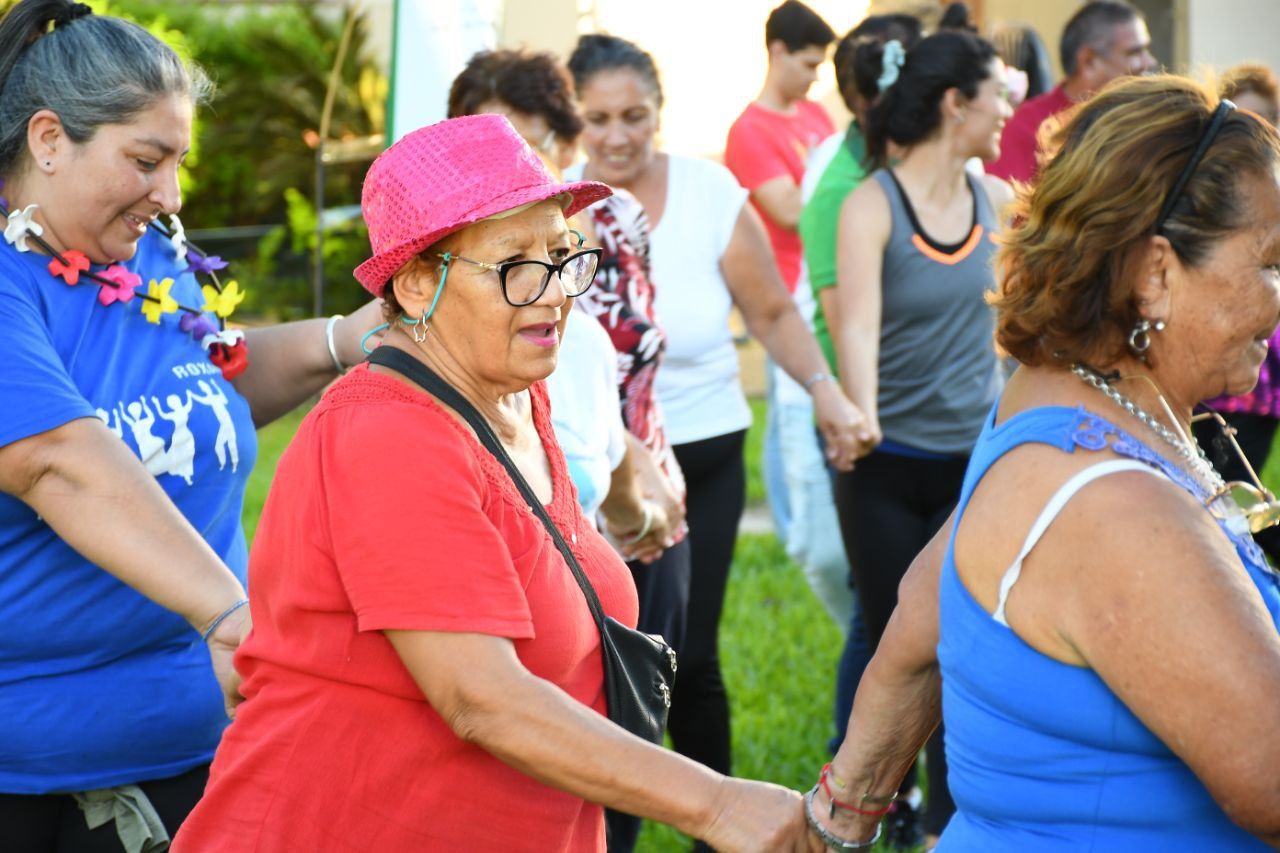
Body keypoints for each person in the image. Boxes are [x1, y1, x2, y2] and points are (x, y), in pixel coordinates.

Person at [173, 113, 820, 853]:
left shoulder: (521, 395)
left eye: (564, 254)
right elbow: (482, 696)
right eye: (516, 264)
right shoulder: (385, 431)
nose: (553, 292)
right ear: (417, 285)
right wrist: (714, 802)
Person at [806, 74, 1280, 852]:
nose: (1276, 296)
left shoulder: (1058, 398)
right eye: (1269, 261)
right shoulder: (1113, 506)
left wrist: (842, 810)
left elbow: (930, 594)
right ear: (1156, 272)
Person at [0, 1, 380, 850]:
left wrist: (343, 340)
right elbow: (56, 460)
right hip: (33, 783)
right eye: (146, 159)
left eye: (178, 162)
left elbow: (212, 389)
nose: (170, 194)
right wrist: (233, 617)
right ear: (50, 139)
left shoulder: (147, 253)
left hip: (207, 749)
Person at [566, 31, 866, 826]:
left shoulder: (710, 194)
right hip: (587, 465)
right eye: (597, 118)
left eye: (636, 115)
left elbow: (769, 310)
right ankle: (599, 826)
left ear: (660, 112)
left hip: (702, 452)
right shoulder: (550, 203)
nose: (619, 135)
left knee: (688, 656)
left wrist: (826, 392)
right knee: (593, 660)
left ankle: (720, 829)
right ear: (574, 119)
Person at [830, 29, 1014, 849]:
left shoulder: (1001, 202)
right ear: (956, 103)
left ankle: (951, 822)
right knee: (901, 649)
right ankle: (863, 808)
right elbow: (858, 326)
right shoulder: (873, 204)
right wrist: (859, 416)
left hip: (977, 466)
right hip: (886, 467)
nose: (1008, 109)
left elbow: (1017, 332)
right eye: (996, 95)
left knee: (971, 648)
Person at [446, 48, 679, 575]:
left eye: (522, 144)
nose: (501, 164)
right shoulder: (435, 312)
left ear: (567, 143)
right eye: (475, 145)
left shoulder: (591, 324)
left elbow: (632, 357)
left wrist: (634, 467)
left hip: (625, 493)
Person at [798, 11, 923, 755]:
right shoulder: (843, 192)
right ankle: (867, 785)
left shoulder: (915, 179)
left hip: (927, 423)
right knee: (880, 622)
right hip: (878, 425)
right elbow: (848, 331)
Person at [724, 0, 836, 544]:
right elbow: (789, 209)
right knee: (785, 413)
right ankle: (790, 526)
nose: (816, 79)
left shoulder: (814, 116)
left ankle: (808, 513)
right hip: (778, 291)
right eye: (809, 65)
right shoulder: (749, 130)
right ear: (778, 52)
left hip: (822, 285)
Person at [987, 0, 1156, 183]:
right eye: (1135, 52)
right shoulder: (1027, 128)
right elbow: (1006, 208)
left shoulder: (1144, 124)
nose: (1150, 62)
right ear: (1088, 61)